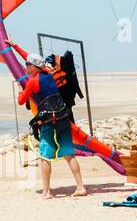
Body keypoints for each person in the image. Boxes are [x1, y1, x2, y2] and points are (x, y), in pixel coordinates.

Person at [17, 52, 86, 199]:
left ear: (34, 67)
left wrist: (20, 91)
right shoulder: (49, 73)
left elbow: (21, 101)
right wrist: (14, 45)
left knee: (45, 156)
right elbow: (31, 58)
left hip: (48, 122)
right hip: (63, 118)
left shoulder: (32, 82)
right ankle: (80, 187)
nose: (25, 67)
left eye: (28, 65)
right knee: (69, 153)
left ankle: (47, 192)